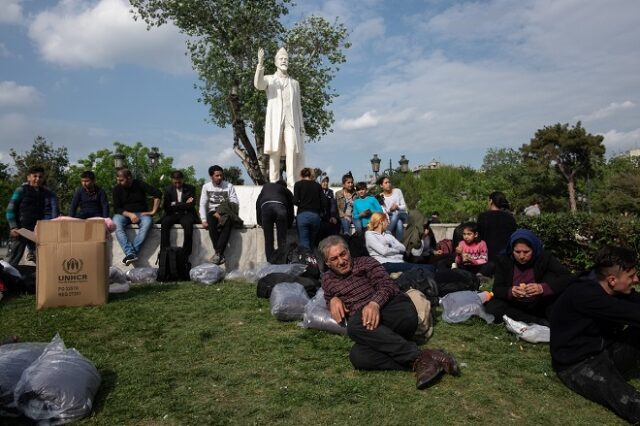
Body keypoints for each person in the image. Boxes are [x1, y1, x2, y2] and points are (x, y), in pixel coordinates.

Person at [319, 235, 460, 389]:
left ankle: (420, 358)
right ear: (327, 263)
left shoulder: (366, 262)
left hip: (395, 311)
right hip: (376, 329)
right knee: (358, 356)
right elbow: (328, 296)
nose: (341, 261)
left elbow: (387, 285)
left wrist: (374, 303)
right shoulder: (327, 280)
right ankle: (425, 360)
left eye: (343, 254)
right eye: (334, 259)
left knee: (354, 325)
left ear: (348, 251)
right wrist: (332, 300)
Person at [550, 246, 640, 424]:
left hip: (605, 350)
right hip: (576, 364)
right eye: (631, 277)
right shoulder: (587, 295)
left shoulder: (608, 286)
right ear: (612, 280)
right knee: (631, 402)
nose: (636, 280)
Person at [484, 229, 573, 326]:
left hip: (540, 302)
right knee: (492, 309)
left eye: (526, 252)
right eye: (517, 252)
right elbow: (497, 289)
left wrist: (542, 288)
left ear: (534, 249)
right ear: (511, 250)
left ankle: (538, 320)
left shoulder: (545, 258)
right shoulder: (504, 260)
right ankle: (534, 321)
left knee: (561, 310)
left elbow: (568, 277)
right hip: (514, 304)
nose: (521, 256)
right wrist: (511, 291)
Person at [254, 47, 305, 187]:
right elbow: (258, 85)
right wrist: (260, 64)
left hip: (292, 122)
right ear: (276, 62)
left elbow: (298, 106)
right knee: (274, 152)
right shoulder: (270, 79)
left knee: (292, 149)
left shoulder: (295, 83)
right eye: (281, 59)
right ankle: (274, 181)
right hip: (276, 121)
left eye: (286, 59)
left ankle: (291, 180)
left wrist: (301, 125)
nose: (284, 61)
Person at [5, 166, 55, 266]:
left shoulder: (45, 193)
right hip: (20, 230)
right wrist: (13, 227)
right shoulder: (21, 190)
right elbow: (10, 209)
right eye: (35, 176)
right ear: (29, 177)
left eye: (40, 177)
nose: (37, 179)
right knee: (12, 261)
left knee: (42, 261)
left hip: (36, 231)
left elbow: (52, 207)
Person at [112, 168, 162, 266]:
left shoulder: (139, 184)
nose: (119, 182)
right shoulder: (116, 189)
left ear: (129, 178)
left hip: (141, 214)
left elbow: (158, 193)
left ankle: (131, 254)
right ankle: (130, 252)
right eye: (117, 180)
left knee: (148, 222)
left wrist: (153, 212)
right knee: (116, 223)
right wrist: (130, 215)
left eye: (121, 180)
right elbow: (117, 209)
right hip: (124, 214)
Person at [365, 213, 434, 274]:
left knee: (423, 269)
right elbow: (384, 251)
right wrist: (396, 250)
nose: (388, 223)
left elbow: (402, 247)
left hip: (398, 261)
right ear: (381, 222)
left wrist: (391, 249)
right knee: (427, 268)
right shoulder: (370, 235)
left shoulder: (387, 234)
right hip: (384, 264)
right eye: (387, 220)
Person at [199, 165, 240, 265]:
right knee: (211, 222)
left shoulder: (229, 186)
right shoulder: (206, 187)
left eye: (221, 175)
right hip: (212, 212)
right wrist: (203, 220)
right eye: (217, 176)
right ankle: (219, 254)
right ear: (211, 176)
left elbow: (234, 202)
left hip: (227, 212)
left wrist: (220, 211)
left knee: (228, 223)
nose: (220, 178)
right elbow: (202, 204)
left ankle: (218, 254)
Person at [159, 170, 199, 260]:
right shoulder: (168, 189)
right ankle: (165, 250)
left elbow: (191, 205)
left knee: (188, 225)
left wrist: (175, 204)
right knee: (165, 223)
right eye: (175, 182)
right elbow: (166, 207)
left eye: (179, 182)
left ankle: (186, 252)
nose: (177, 184)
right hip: (172, 214)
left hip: (186, 214)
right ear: (172, 180)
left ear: (183, 179)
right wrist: (183, 204)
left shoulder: (191, 188)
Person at [256, 180, 294, 261]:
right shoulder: (285, 190)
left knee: (268, 241)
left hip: (266, 209)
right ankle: (282, 262)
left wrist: (259, 221)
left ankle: (270, 262)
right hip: (280, 210)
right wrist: (289, 223)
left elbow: (258, 204)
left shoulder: (266, 187)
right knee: (282, 240)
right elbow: (291, 207)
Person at [477, 191, 517, 263]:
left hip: (487, 257)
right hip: (506, 257)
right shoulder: (510, 218)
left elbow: (479, 237)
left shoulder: (483, 217)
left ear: (491, 201)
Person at [293, 168, 326, 250]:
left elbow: (295, 200)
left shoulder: (298, 184)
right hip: (315, 216)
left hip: (302, 215)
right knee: (313, 243)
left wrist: (301, 204)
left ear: (301, 175)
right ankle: (314, 260)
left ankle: (306, 262)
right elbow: (324, 202)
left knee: (304, 242)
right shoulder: (317, 185)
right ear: (311, 175)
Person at [379, 176, 408, 241]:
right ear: (381, 185)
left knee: (396, 213)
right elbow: (383, 211)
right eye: (386, 183)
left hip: (402, 214)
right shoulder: (381, 196)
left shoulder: (397, 191)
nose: (388, 184)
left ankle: (388, 232)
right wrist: (389, 210)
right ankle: (399, 246)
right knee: (399, 223)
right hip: (391, 217)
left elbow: (404, 207)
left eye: (389, 182)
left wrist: (397, 207)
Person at [319, 175, 340, 240]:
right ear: (320, 182)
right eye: (323, 181)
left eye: (327, 181)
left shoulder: (330, 192)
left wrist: (333, 216)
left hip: (328, 215)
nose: (325, 183)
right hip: (319, 216)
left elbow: (332, 204)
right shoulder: (317, 191)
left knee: (336, 223)